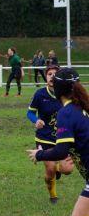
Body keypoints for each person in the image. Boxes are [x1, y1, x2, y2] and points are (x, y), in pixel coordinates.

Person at [27, 68, 89, 216]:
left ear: (59, 89)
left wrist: (39, 154)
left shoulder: (66, 112)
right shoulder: (82, 107)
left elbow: (61, 150)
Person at [27, 65, 73, 204]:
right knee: (50, 169)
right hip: (44, 137)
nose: (52, 76)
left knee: (68, 169)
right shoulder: (40, 94)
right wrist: (36, 121)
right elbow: (30, 112)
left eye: (55, 74)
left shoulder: (67, 94)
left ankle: (58, 168)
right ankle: (53, 196)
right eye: (49, 74)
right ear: (46, 77)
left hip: (63, 137)